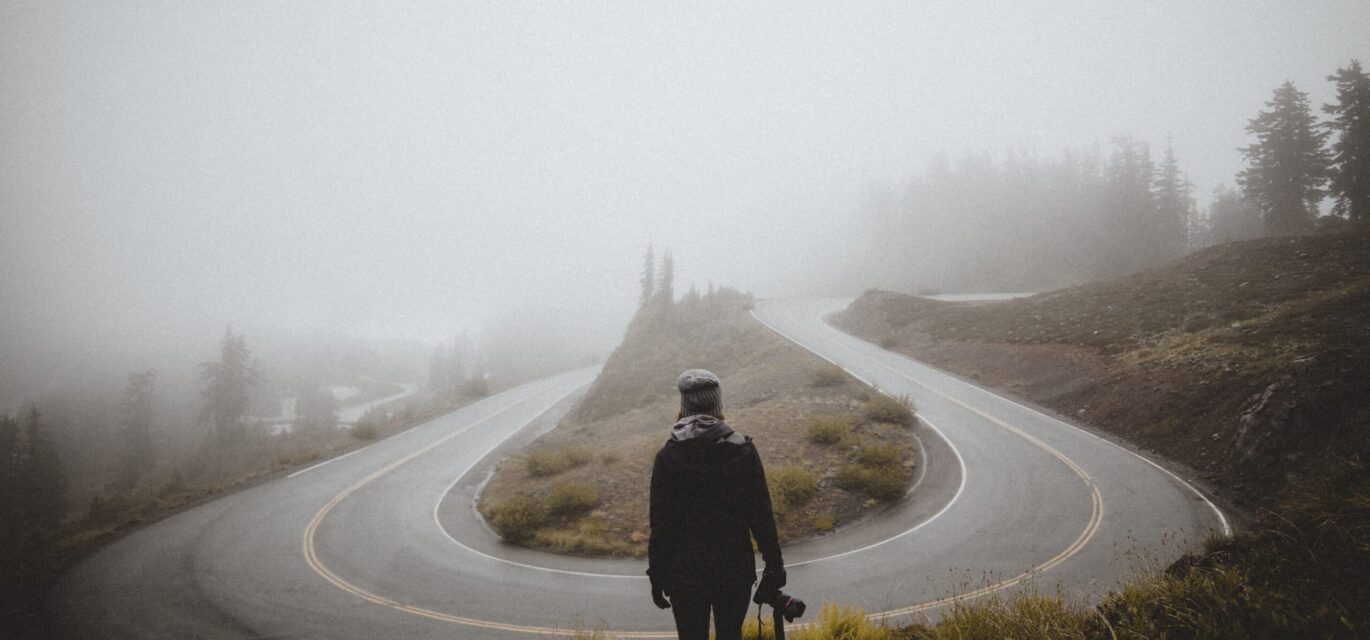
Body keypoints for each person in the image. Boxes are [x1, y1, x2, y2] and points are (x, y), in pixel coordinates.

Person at [647, 369, 786, 640]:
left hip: (685, 576)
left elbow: (661, 526)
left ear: (683, 408)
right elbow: (761, 516)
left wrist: (657, 575)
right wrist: (774, 566)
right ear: (718, 406)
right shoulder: (743, 450)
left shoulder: (667, 457)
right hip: (734, 572)